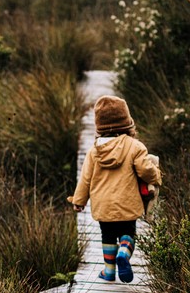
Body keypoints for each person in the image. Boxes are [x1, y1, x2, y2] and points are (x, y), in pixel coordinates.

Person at [67, 95, 162, 283]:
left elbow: (85, 178)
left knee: (108, 236)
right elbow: (145, 170)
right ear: (127, 122)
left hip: (103, 205)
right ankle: (124, 254)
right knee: (128, 233)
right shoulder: (135, 146)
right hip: (127, 202)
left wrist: (79, 201)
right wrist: (156, 176)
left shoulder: (94, 151)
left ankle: (109, 271)